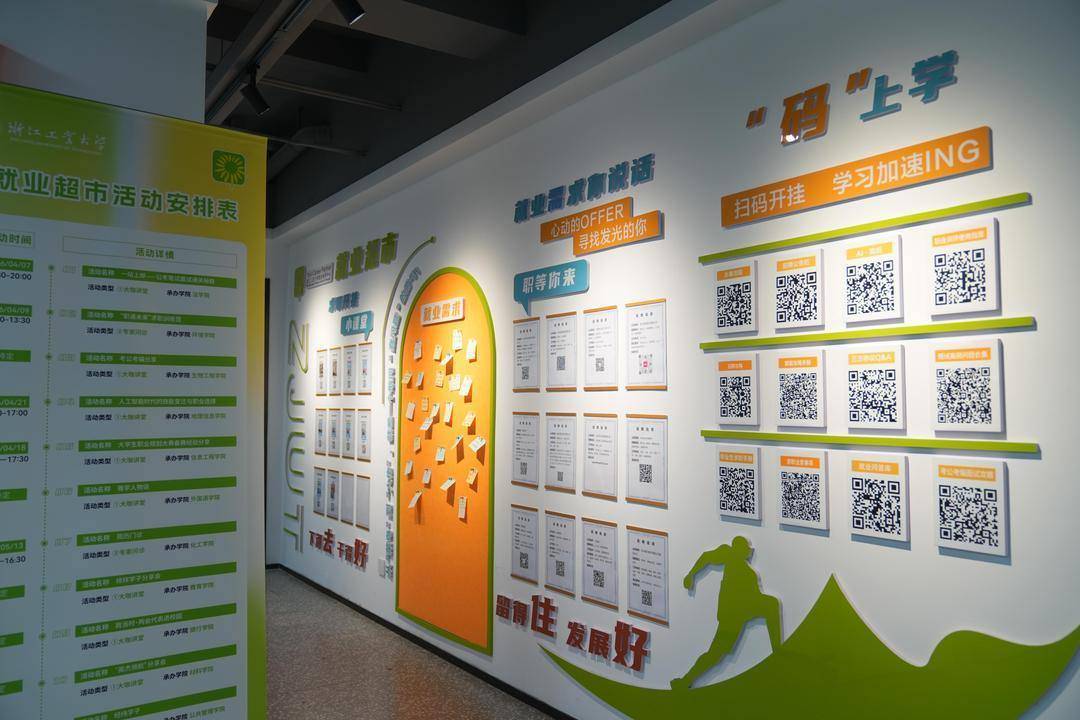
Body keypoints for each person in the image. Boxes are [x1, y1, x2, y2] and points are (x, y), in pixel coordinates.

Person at [671, 536, 781, 690]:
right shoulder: (729, 554)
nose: (750, 552)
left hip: (748, 605)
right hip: (734, 613)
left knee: (772, 604)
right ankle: (685, 681)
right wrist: (691, 575)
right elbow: (707, 557)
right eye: (747, 549)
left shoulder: (741, 563)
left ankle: (777, 652)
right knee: (716, 653)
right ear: (738, 549)